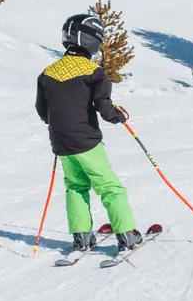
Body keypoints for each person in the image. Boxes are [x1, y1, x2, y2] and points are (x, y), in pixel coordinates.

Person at [37, 13, 142, 255]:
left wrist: (61, 124)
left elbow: (43, 111)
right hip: (86, 141)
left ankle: (82, 239)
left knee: (75, 186)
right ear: (91, 41)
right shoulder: (93, 71)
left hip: (61, 142)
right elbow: (104, 109)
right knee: (109, 187)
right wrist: (119, 115)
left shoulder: (48, 72)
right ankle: (127, 235)